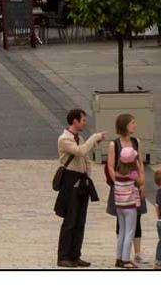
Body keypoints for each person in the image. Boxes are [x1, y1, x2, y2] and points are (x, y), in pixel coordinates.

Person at [54, 107, 103, 269]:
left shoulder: (79, 137)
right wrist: (94, 137)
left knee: (80, 220)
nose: (85, 122)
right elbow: (80, 152)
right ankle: (63, 256)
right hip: (70, 180)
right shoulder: (64, 139)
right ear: (75, 121)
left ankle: (75, 255)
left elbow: (86, 158)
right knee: (70, 220)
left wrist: (88, 176)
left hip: (81, 180)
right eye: (83, 120)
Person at [107, 111, 145, 268]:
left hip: (131, 188)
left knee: (125, 226)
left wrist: (142, 184)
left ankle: (120, 257)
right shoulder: (114, 144)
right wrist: (120, 182)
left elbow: (140, 163)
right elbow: (110, 165)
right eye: (132, 122)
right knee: (128, 227)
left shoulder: (136, 141)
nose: (135, 125)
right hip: (124, 190)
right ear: (125, 125)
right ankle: (124, 258)